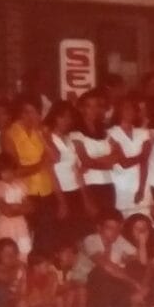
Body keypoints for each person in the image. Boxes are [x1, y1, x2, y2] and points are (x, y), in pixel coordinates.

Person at [2, 96, 60, 258]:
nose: (30, 116)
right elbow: (14, 170)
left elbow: (55, 157)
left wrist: (43, 136)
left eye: (34, 112)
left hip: (45, 191)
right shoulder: (10, 134)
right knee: (25, 239)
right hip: (24, 194)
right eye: (26, 112)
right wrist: (41, 164)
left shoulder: (41, 131)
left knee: (46, 240)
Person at [78, 209, 143, 307]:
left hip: (112, 279)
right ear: (99, 228)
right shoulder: (91, 240)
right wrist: (132, 281)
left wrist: (129, 258)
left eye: (117, 229)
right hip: (88, 282)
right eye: (110, 228)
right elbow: (105, 265)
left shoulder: (119, 240)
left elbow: (137, 257)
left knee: (126, 269)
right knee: (103, 272)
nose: (114, 233)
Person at [45, 101, 93, 244]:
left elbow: (77, 170)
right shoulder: (48, 139)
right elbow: (50, 173)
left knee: (79, 235)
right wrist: (61, 201)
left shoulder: (71, 139)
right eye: (62, 117)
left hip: (75, 192)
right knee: (63, 238)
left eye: (69, 117)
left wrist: (86, 198)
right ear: (54, 117)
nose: (66, 120)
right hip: (59, 194)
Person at [72, 90, 117, 214]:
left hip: (108, 183)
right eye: (89, 106)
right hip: (89, 185)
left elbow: (116, 156)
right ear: (81, 108)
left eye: (96, 106)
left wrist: (94, 162)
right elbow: (85, 160)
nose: (93, 110)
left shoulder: (105, 132)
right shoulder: (76, 133)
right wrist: (106, 163)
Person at [107, 98, 153, 217]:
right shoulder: (110, 133)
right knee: (124, 219)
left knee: (144, 217)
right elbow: (124, 163)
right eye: (126, 108)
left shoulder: (143, 133)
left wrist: (141, 189)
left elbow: (145, 163)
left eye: (132, 109)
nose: (130, 112)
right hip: (122, 185)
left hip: (142, 184)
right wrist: (143, 156)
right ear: (119, 111)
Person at [0, 154, 34, 261]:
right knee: (7, 251)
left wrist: (14, 207)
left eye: (11, 171)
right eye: (4, 172)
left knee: (24, 250)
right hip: (6, 224)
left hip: (20, 223)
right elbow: (6, 212)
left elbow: (30, 207)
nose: (8, 174)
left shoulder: (20, 184)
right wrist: (21, 208)